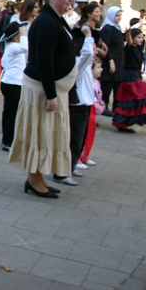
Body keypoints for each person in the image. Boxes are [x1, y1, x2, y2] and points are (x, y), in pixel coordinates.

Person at [8, 0, 76, 199]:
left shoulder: (55, 19)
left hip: (50, 87)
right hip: (41, 89)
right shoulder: (47, 22)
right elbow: (45, 62)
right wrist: (51, 94)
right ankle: (33, 179)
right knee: (39, 134)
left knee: (45, 134)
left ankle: (38, 178)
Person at [52, 24, 96, 186]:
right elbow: (88, 53)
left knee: (79, 139)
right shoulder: (77, 62)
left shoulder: (80, 62)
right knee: (72, 140)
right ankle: (61, 173)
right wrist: (88, 34)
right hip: (76, 105)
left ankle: (70, 167)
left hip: (83, 104)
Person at [111, 28, 146, 132]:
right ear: (132, 38)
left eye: (141, 37)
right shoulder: (129, 48)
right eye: (138, 37)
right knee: (132, 98)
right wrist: (128, 32)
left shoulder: (139, 47)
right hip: (129, 75)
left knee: (133, 100)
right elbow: (129, 41)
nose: (141, 39)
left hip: (136, 74)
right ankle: (122, 122)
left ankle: (126, 122)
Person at [0, 22, 28, 151]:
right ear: (15, 35)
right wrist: (23, 34)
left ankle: (8, 139)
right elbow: (25, 48)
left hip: (11, 83)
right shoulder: (13, 47)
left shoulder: (12, 46)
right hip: (12, 84)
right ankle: (7, 141)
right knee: (12, 114)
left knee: (9, 113)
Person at [79, 58, 105, 167]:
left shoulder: (96, 82)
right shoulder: (90, 82)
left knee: (89, 135)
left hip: (94, 110)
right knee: (84, 135)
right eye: (98, 67)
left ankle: (85, 156)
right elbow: (93, 98)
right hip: (90, 109)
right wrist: (100, 106)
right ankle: (78, 159)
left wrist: (101, 103)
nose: (101, 69)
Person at [99, 7, 125, 117]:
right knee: (107, 85)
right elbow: (105, 46)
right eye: (116, 15)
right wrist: (110, 60)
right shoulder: (107, 29)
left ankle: (117, 108)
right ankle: (104, 106)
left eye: (120, 15)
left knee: (118, 87)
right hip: (110, 60)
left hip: (119, 61)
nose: (119, 18)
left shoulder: (118, 28)